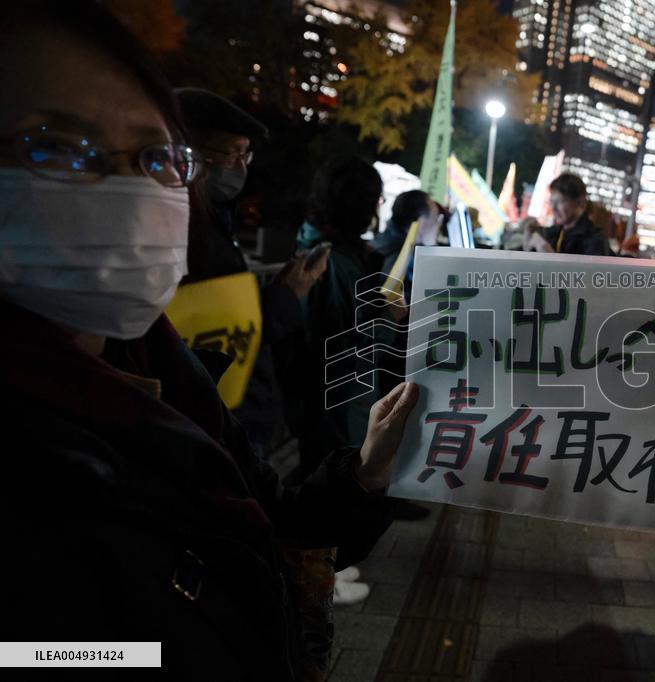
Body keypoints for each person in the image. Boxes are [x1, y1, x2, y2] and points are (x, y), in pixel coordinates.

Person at [0, 3, 416, 679]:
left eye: (156, 157)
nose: (130, 189)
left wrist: (364, 470)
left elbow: (270, 520)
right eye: (54, 147)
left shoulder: (163, 368)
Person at [176, 87, 327, 457]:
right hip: (210, 427)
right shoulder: (179, 231)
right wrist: (287, 296)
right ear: (188, 156)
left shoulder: (215, 222)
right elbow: (212, 333)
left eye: (246, 154)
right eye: (231, 153)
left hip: (235, 419)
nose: (242, 166)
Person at [295, 158, 429, 527]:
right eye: (376, 200)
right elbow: (346, 340)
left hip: (332, 391)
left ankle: (329, 565)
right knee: (335, 472)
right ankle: (326, 568)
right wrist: (392, 316)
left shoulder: (326, 246)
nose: (378, 208)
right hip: (338, 393)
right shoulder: (334, 260)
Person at [541, 173, 610, 256]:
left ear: (580, 203)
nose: (554, 208)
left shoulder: (595, 240)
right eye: (552, 202)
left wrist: (543, 249)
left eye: (560, 201)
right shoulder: (556, 232)